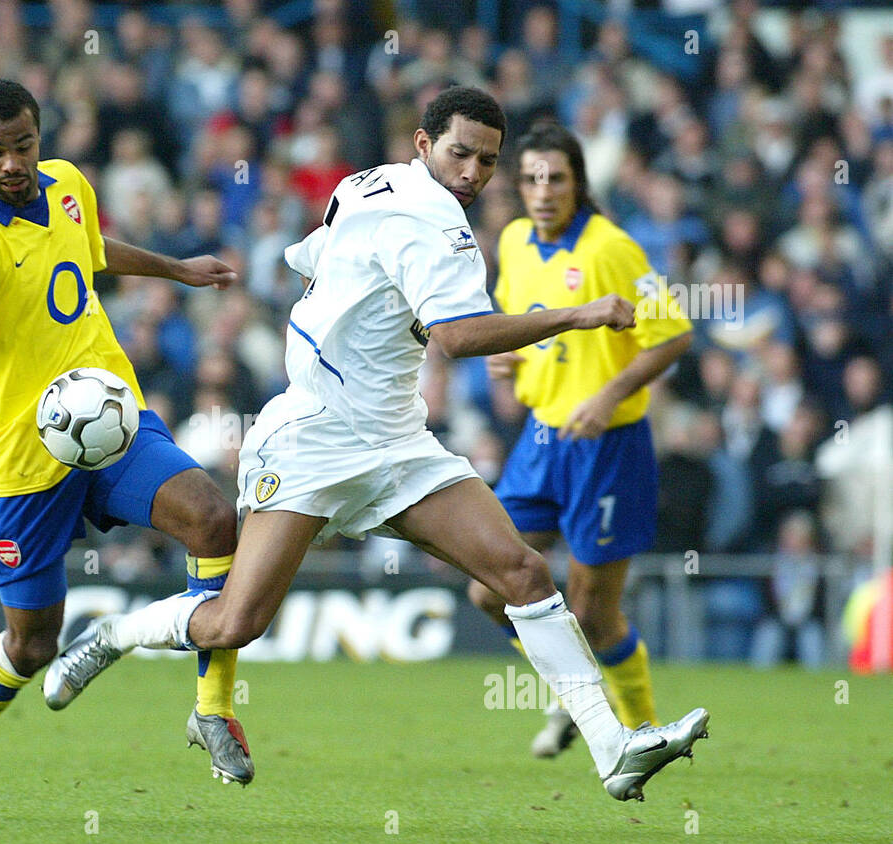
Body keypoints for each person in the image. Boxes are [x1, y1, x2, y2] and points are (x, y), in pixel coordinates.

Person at [44, 87, 709, 803]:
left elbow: (309, 258)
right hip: (313, 440)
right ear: (424, 145)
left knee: (521, 571)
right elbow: (455, 338)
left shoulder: (365, 181)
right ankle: (114, 631)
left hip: (396, 441)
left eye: (487, 160)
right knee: (237, 621)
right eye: (460, 153)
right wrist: (574, 315)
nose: (473, 173)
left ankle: (614, 749)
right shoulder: (438, 223)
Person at [0, 79, 251, 820]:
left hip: (106, 423)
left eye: (24, 144)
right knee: (33, 646)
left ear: (41, 137)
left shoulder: (66, 183)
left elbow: (92, 252)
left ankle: (211, 707)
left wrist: (179, 269)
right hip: (18, 459)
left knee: (214, 519)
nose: (12, 162)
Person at [466, 122, 694, 758]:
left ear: (577, 184)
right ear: (518, 185)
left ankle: (644, 729)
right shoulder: (512, 241)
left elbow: (674, 333)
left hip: (609, 447)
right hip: (539, 443)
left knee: (595, 615)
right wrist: (507, 362)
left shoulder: (609, 249)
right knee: (487, 588)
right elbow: (517, 318)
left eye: (556, 178)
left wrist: (607, 396)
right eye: (532, 178)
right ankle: (577, 696)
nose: (543, 191)